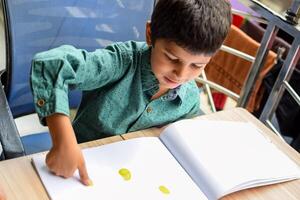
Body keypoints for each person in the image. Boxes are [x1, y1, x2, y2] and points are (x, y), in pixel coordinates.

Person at [30, 0, 231, 185]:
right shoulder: (120, 63)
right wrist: (63, 141)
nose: (181, 74)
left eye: (197, 65)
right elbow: (50, 65)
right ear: (150, 34)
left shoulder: (189, 100)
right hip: (78, 170)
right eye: (172, 58)